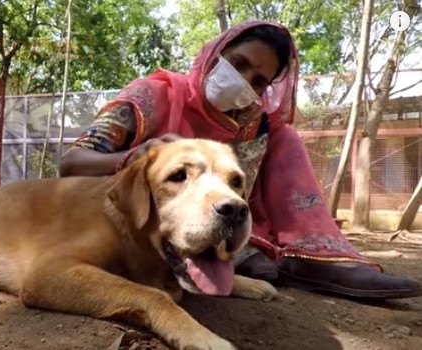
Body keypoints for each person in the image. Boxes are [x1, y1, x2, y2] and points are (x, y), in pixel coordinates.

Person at [59, 20, 421, 299]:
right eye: (238, 64)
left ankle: (310, 255)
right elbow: (72, 163)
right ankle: (234, 256)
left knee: (285, 135)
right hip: (130, 219)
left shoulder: (252, 123)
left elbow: (238, 193)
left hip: (216, 220)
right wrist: (136, 157)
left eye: (259, 81)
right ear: (214, 55)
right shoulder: (152, 94)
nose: (245, 81)